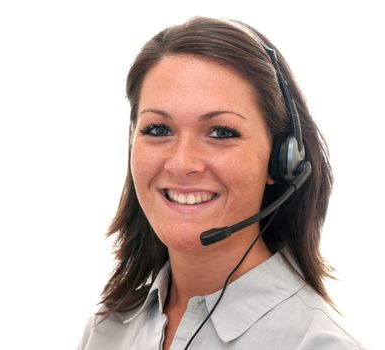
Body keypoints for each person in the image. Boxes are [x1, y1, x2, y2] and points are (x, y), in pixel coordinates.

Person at [78, 17, 365, 349]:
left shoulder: (316, 343)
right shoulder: (108, 330)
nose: (182, 163)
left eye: (221, 133)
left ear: (281, 160)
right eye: (158, 130)